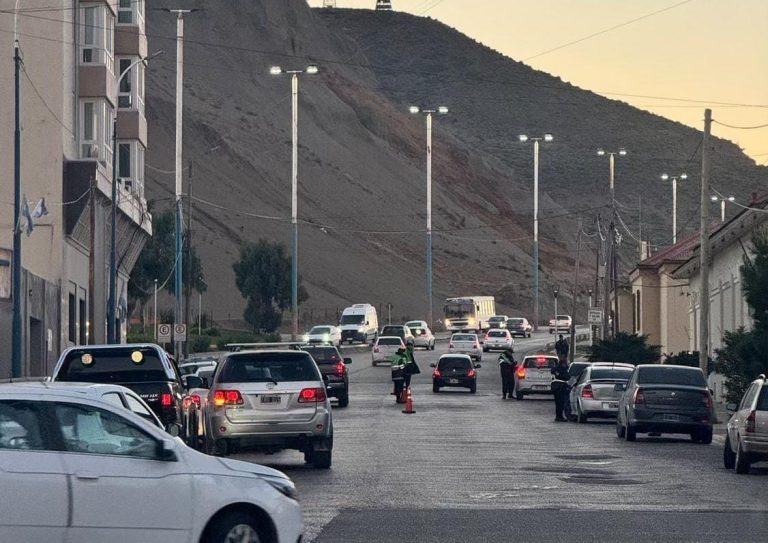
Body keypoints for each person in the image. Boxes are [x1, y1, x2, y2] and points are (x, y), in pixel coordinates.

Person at [551, 357, 570, 422]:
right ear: (563, 364)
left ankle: (558, 416)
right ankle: (559, 417)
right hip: (561, 387)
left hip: (555, 387)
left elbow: (552, 371)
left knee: (557, 403)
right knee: (561, 403)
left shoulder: (555, 369)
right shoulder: (563, 369)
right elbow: (567, 377)